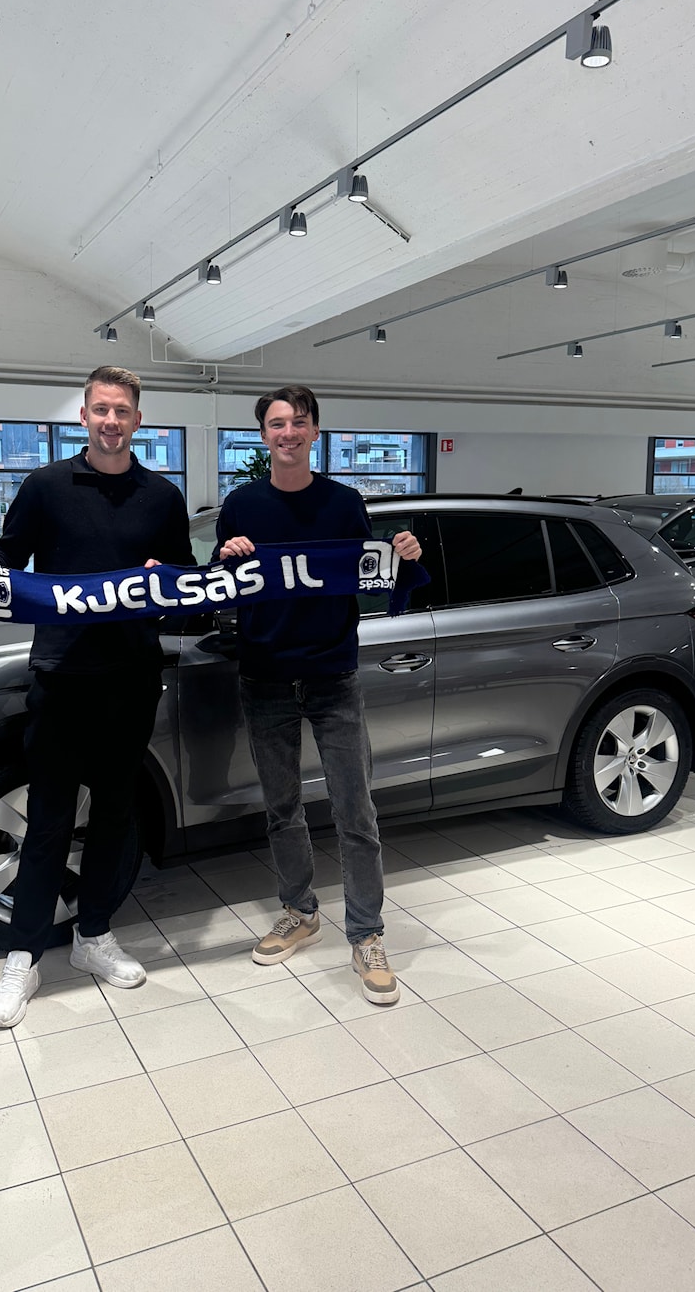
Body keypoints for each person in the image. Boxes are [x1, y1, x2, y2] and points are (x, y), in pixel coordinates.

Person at [0, 365, 194, 1028]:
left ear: (138, 420)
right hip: (61, 676)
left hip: (132, 676)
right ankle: (23, 957)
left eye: (123, 411)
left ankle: (93, 936)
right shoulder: (45, 486)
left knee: (114, 816)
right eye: (101, 410)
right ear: (84, 416)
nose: (112, 421)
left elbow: (183, 586)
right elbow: (7, 554)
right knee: (49, 821)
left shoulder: (162, 497)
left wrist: (169, 578)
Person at [216, 385, 421, 1005]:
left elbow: (373, 576)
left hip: (333, 678)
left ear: (314, 432)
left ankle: (367, 933)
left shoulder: (343, 503)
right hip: (265, 678)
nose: (288, 432)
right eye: (277, 423)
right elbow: (221, 587)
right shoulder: (241, 506)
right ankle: (299, 912)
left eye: (299, 422)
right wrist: (227, 556)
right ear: (263, 435)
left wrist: (404, 556)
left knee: (356, 812)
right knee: (282, 809)